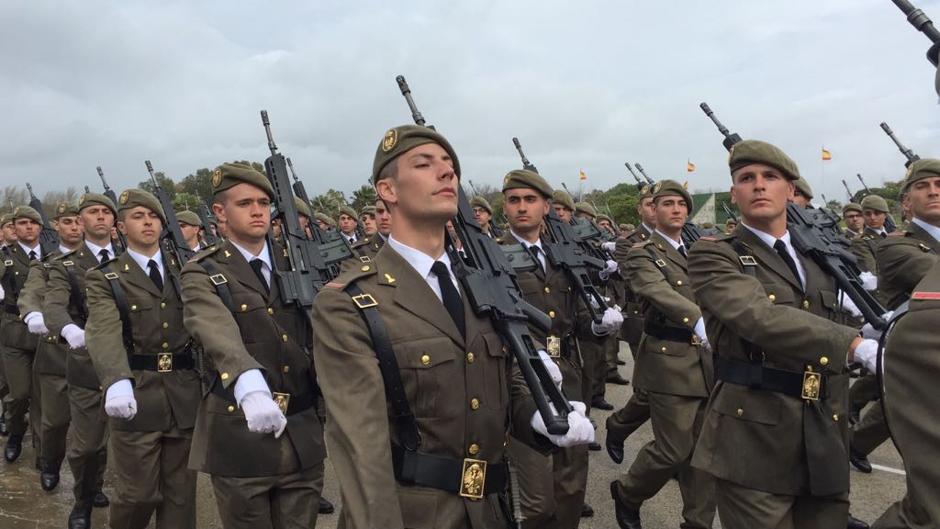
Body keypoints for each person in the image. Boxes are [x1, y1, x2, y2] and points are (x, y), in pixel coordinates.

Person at [312, 125, 593, 529]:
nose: (446, 173)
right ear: (387, 190)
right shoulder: (348, 300)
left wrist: (537, 412)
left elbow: (500, 376)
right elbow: (362, 446)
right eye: (424, 164)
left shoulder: (478, 285)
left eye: (450, 166)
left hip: (489, 509)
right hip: (414, 514)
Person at [681, 139, 876, 529]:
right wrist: (852, 344)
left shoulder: (820, 257)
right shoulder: (715, 254)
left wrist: (871, 325)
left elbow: (832, 314)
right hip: (753, 432)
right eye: (746, 178)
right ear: (733, 195)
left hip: (823, 426)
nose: (758, 185)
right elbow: (757, 315)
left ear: (791, 191)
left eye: (770, 177)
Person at [181, 163, 327, 529]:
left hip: (302, 434)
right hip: (239, 435)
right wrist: (248, 382)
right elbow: (213, 328)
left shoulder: (300, 262)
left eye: (264, 202)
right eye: (245, 203)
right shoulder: (202, 271)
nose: (258, 210)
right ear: (220, 213)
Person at [500, 168, 620, 529]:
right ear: (505, 207)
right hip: (523, 376)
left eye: (530, 200)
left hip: (568, 368)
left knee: (572, 482)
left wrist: (597, 322)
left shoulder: (560, 255)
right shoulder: (491, 257)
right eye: (514, 200)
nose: (522, 208)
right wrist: (528, 353)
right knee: (536, 496)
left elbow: (575, 314)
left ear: (546, 207)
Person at [85, 189, 200, 529]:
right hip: (138, 392)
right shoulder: (105, 277)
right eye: (138, 216)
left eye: (154, 217)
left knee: (181, 495)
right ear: (120, 227)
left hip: (183, 393)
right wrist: (116, 381)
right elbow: (103, 331)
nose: (148, 222)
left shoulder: (188, 271)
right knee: (137, 495)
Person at [611, 180, 716, 529]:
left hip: (707, 361)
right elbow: (656, 291)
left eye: (681, 204)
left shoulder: (700, 251)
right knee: (673, 450)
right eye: (667, 203)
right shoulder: (642, 252)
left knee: (704, 451)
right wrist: (698, 321)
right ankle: (627, 492)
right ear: (653, 211)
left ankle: (697, 522)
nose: (675, 209)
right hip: (668, 361)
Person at [865, 158, 940, 529]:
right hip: (918, 371)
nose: (934, 191)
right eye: (923, 186)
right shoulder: (897, 247)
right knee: (929, 507)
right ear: (906, 204)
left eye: (939, 184)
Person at [44, 193, 118, 529]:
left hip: (136, 366)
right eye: (92, 212)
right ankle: (84, 498)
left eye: (106, 212)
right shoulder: (65, 266)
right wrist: (71, 330)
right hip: (88, 364)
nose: (100, 217)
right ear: (80, 220)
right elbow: (54, 306)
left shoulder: (136, 261)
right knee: (87, 444)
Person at [18, 201, 84, 494]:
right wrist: (32, 313)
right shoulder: (45, 264)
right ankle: (50, 462)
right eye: (67, 222)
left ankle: (90, 484)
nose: (74, 227)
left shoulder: (106, 263)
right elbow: (31, 292)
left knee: (96, 428)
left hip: (94, 353)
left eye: (77, 221)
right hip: (56, 351)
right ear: (57, 226)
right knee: (55, 422)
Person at [606, 184, 656, 462]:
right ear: (640, 209)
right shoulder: (629, 241)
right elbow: (632, 277)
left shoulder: (680, 238)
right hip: (642, 321)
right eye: (649, 204)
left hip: (680, 326)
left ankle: (670, 448)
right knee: (651, 389)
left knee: (665, 390)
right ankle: (665, 448)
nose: (654, 208)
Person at [1, 206, 44, 464]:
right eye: (23, 223)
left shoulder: (53, 255)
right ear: (14, 228)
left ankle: (43, 449)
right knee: (19, 394)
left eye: (33, 223)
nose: (28, 227)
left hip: (46, 335)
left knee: (43, 397)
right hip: (14, 333)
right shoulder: (5, 256)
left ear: (40, 227)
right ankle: (16, 432)